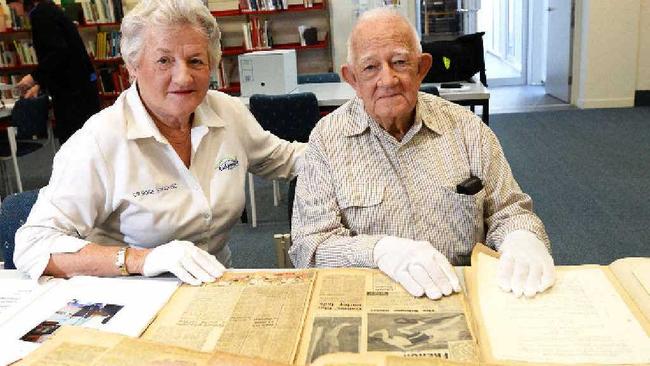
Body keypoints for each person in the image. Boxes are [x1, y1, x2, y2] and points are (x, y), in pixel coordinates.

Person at [13, 0, 304, 285]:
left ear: (212, 66)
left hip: (214, 285)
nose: (183, 76)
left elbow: (285, 158)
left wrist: (342, 148)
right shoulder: (99, 141)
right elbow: (33, 245)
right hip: (134, 295)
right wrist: (143, 259)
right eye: (164, 60)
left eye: (196, 61)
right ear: (133, 66)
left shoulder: (227, 111)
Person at [290, 8, 555, 300]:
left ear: (422, 68)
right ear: (352, 79)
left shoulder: (468, 129)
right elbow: (309, 246)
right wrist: (379, 251)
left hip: (462, 295)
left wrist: (522, 237)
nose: (388, 80)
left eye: (400, 62)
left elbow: (509, 211)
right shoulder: (326, 140)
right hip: (374, 299)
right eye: (370, 68)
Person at [15, 0, 101, 144]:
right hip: (80, 86)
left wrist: (33, 77)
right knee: (87, 141)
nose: (16, 12)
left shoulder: (41, 15)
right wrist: (40, 84)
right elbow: (59, 57)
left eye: (14, 7)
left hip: (73, 93)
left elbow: (57, 53)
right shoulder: (49, 10)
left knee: (75, 143)